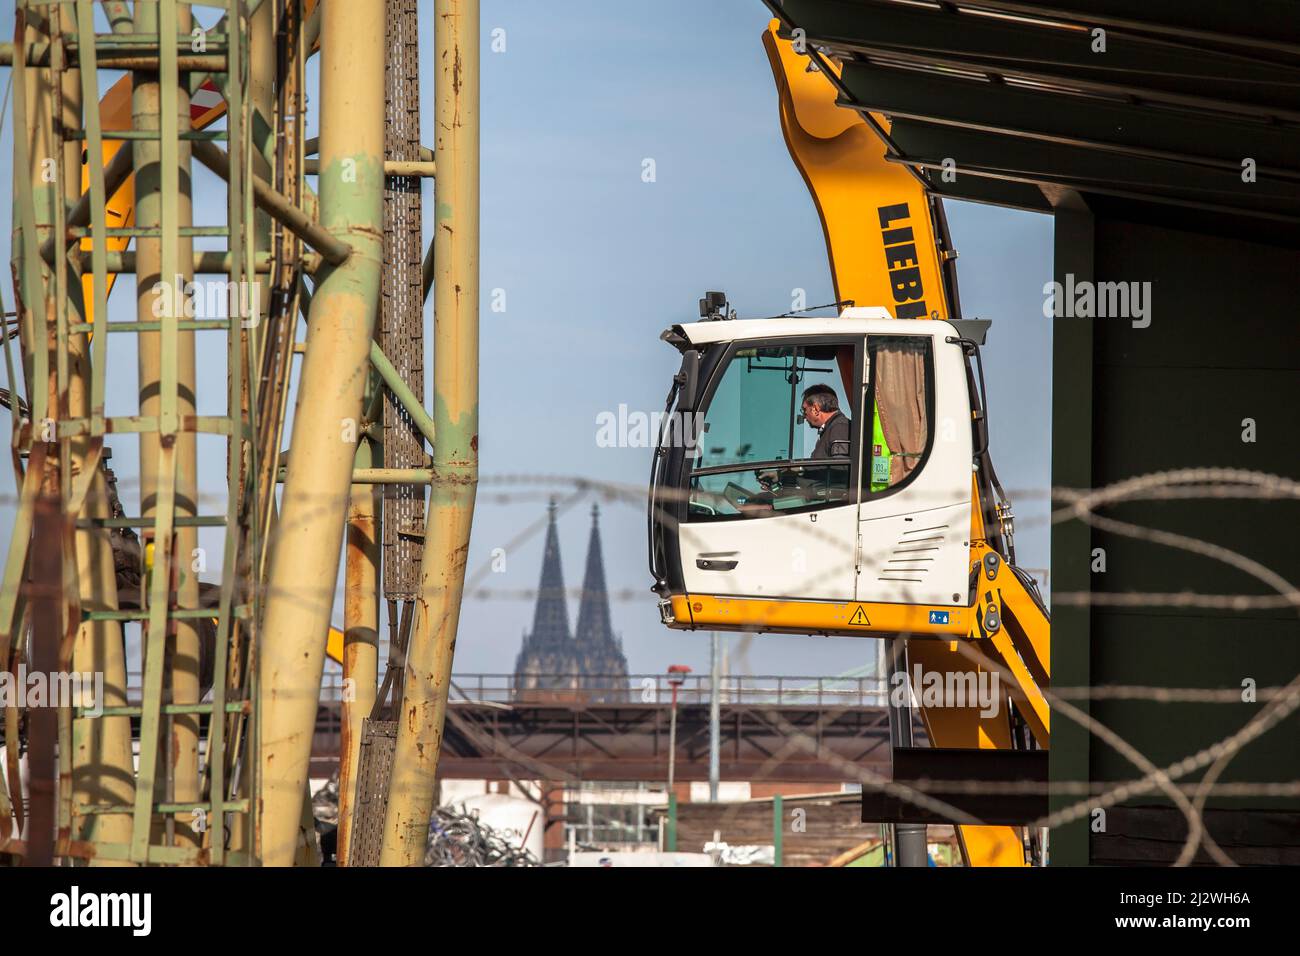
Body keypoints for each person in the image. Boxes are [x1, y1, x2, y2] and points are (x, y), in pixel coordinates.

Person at [800, 384, 851, 459]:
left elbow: (840, 467)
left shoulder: (840, 428)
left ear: (815, 409)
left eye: (804, 410)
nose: (804, 416)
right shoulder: (831, 428)